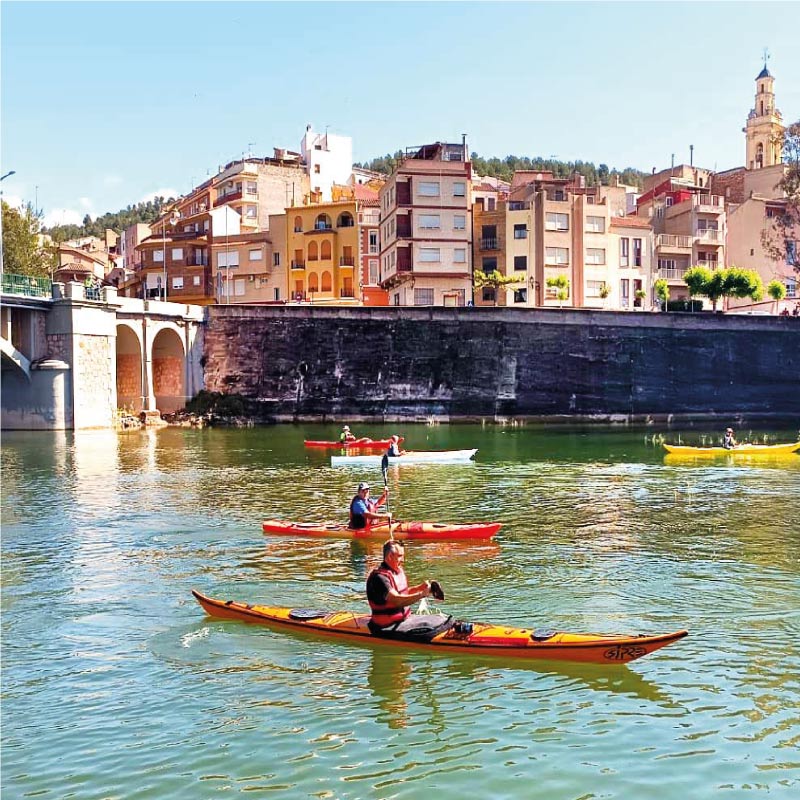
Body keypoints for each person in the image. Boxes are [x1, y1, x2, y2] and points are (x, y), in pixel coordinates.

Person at [366, 539, 449, 638]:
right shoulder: (379, 578)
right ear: (389, 556)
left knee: (443, 621)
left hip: (405, 619)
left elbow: (403, 593)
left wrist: (420, 588)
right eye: (400, 556)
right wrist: (421, 594)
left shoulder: (396, 571)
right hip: (386, 626)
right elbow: (396, 600)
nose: (403, 560)